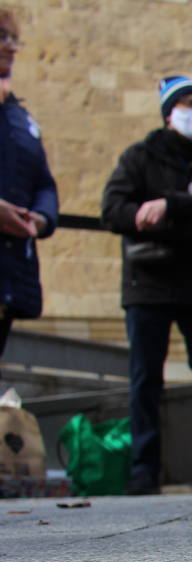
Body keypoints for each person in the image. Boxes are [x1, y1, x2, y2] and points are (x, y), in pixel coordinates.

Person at [101, 76, 192, 495]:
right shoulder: (139, 158)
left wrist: (170, 204)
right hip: (149, 281)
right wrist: (185, 221)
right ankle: (145, 467)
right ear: (168, 111)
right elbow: (115, 210)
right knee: (145, 376)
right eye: (188, 103)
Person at [0, 7, 57, 362]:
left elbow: (44, 183)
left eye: (12, 38)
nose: (10, 47)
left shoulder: (21, 119)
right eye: (1, 37)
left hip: (9, 271)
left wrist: (40, 218)